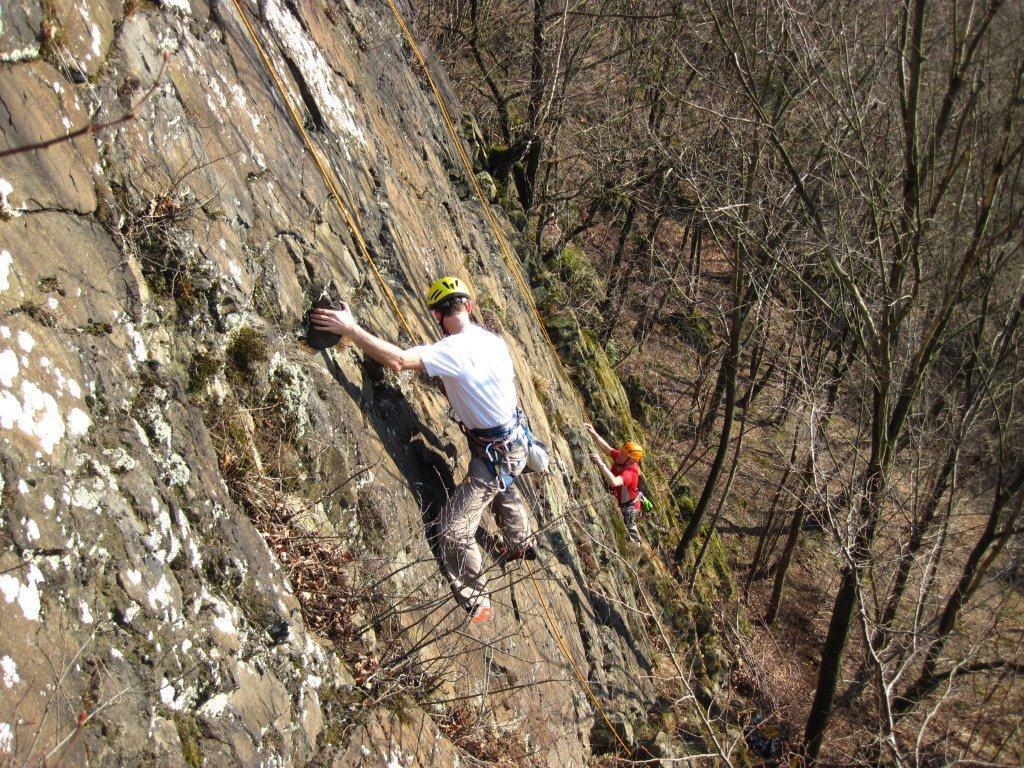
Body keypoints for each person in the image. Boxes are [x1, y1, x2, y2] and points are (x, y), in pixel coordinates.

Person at [310, 276, 535, 625]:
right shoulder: (494, 341)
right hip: (513, 441)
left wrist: (351, 329)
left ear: (436, 314)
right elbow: (472, 380)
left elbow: (399, 361)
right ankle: (520, 540)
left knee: (453, 528)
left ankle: (478, 600)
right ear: (469, 307)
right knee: (500, 478)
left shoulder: (452, 351)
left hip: (494, 454)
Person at [584, 422, 644, 542]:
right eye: (621, 452)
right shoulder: (623, 458)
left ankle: (637, 545)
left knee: (629, 529)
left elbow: (615, 482)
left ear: (630, 460)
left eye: (623, 454)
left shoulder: (630, 472)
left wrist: (600, 463)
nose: (619, 454)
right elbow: (607, 449)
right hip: (623, 501)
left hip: (629, 507)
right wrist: (594, 433)